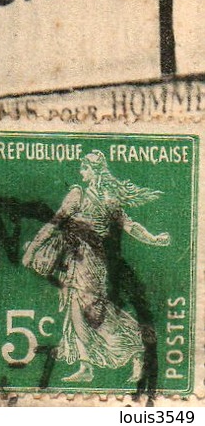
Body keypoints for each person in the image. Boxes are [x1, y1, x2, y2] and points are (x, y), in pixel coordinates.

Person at [23, 150, 170, 384]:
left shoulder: (102, 199)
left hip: (92, 262)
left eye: (85, 169)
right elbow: (54, 224)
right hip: (74, 259)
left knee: (95, 313)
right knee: (74, 310)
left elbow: (129, 225)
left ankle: (137, 346)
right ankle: (86, 366)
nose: (81, 173)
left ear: (94, 171)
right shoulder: (77, 195)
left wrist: (153, 239)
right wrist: (32, 251)